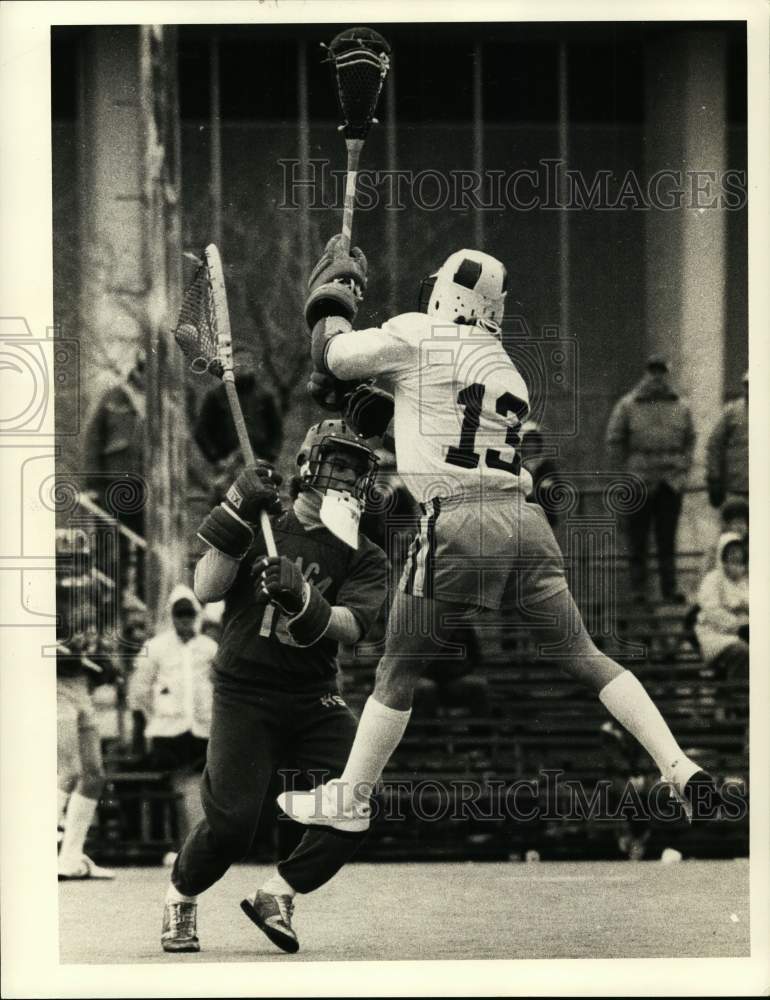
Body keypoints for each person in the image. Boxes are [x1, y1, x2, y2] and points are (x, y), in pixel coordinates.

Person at [279, 238, 722, 844]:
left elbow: (330, 353)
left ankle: (352, 800)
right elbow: (423, 405)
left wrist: (333, 291)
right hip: (524, 518)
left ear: (444, 291)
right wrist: (367, 399)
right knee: (584, 654)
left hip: (459, 518)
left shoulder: (416, 332)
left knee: (397, 671)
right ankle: (678, 765)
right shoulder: (504, 366)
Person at [159, 420, 388, 955]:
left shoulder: (364, 553)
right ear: (309, 464)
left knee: (358, 795)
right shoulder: (266, 520)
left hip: (314, 696)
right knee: (235, 825)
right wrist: (235, 512)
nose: (347, 477)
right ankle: (180, 897)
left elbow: (353, 626)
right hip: (245, 690)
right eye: (339, 463)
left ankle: (279, 892)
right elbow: (207, 587)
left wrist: (306, 602)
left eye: (357, 469)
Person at [128, 586, 217, 855]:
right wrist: (156, 716)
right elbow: (139, 690)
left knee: (202, 785)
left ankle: (201, 845)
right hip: (167, 729)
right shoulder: (155, 647)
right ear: (172, 616)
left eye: (189, 614)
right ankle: (164, 844)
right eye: (179, 615)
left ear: (197, 615)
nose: (184, 620)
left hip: (202, 728)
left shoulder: (210, 648)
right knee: (164, 783)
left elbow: (218, 686)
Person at [605, 354, 695, 603]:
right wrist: (623, 476)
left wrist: (683, 470)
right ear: (646, 373)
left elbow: (690, 439)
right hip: (638, 480)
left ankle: (670, 588)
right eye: (652, 371)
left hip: (671, 481)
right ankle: (638, 590)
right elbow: (614, 441)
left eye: (661, 371)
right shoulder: (627, 405)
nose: (657, 377)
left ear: (667, 374)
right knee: (638, 539)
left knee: (668, 539)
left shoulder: (681, 406)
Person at [57, 632, 115, 880]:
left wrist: (97, 660)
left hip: (81, 690)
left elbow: (104, 670)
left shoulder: (88, 614)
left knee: (94, 776)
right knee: (68, 772)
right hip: (54, 690)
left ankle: (69, 858)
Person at [193, 349, 283, 466]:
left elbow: (276, 431)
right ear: (230, 365)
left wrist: (269, 457)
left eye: (247, 361)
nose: (243, 365)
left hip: (259, 463)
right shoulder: (216, 396)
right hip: (226, 465)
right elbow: (201, 431)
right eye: (238, 361)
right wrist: (217, 459)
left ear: (254, 366)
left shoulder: (265, 397)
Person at [694, 533, 749, 683]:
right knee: (742, 651)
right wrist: (737, 622)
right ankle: (736, 696)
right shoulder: (713, 580)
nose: (736, 559)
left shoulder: (745, 582)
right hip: (716, 635)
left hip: (744, 632)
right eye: (731, 555)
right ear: (723, 556)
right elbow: (712, 610)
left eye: (739, 556)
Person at [705, 371, 749, 509]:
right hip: (735, 487)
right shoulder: (732, 412)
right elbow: (715, 445)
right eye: (747, 385)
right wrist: (714, 478)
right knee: (735, 528)